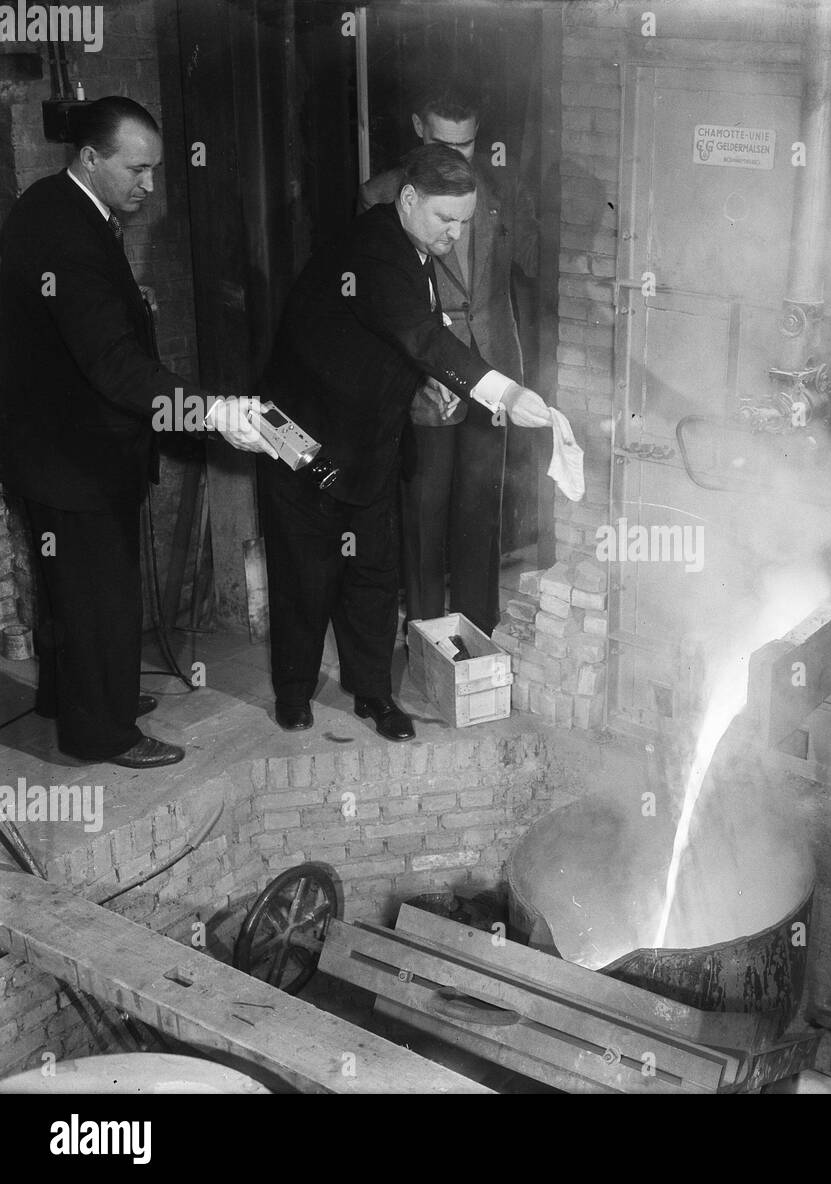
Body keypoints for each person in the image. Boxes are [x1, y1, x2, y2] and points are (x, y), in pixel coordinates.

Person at [0, 96, 270, 770]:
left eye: (155, 170)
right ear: (90, 157)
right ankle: (104, 733)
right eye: (137, 170)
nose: (149, 185)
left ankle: (77, 699)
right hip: (73, 457)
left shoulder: (51, 202)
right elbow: (114, 364)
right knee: (99, 598)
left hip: (49, 445)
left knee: (74, 590)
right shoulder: (70, 233)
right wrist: (211, 412)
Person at [260, 143, 550, 741]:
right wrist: (504, 393)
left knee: (371, 569)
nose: (456, 233)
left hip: (362, 437)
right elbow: (418, 331)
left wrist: (427, 379)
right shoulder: (375, 248)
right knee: (304, 569)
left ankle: (372, 693)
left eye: (465, 221)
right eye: (446, 218)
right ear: (409, 199)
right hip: (296, 434)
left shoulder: (412, 248)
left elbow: (399, 333)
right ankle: (293, 693)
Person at [360, 81, 538, 634]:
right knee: (424, 512)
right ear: (418, 129)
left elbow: (519, 272)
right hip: (428, 379)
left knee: (480, 509)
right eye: (442, 143)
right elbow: (381, 308)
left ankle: (476, 634)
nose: (454, 158)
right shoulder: (382, 197)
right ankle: (427, 636)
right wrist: (414, 378)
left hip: (494, 368)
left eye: (466, 147)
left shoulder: (497, 189)